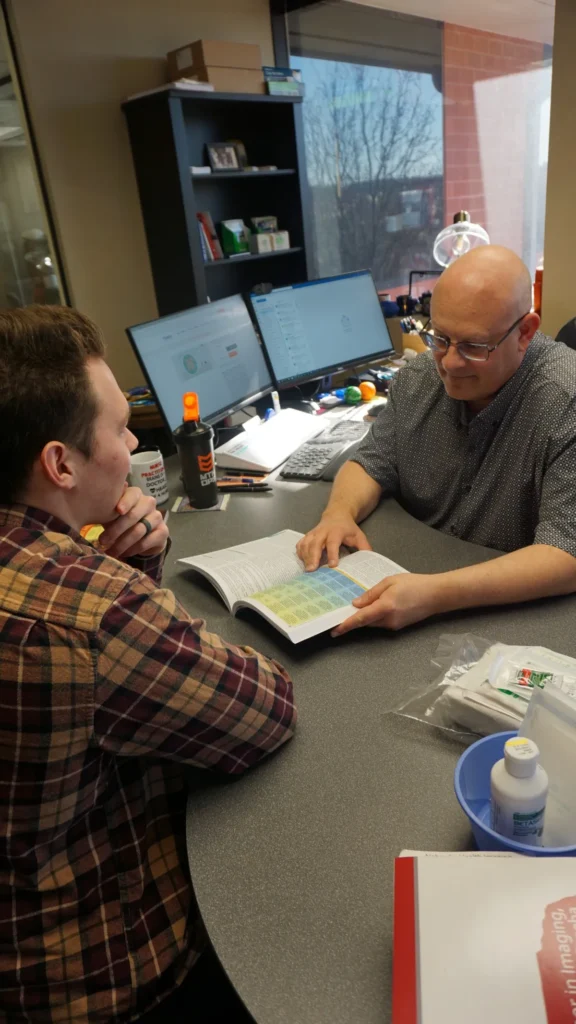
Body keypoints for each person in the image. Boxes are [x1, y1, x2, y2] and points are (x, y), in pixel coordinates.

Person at [0, 306, 296, 1022]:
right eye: (119, 429)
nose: (135, 441)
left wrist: (112, 565)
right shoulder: (96, 613)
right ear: (60, 463)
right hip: (97, 974)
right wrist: (123, 588)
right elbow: (263, 711)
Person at [297, 245, 576, 635]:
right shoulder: (420, 376)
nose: (448, 362)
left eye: (474, 347)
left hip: (510, 623)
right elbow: (373, 461)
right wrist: (338, 514)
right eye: (440, 337)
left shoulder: (566, 402)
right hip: (410, 586)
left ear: (525, 332)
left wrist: (433, 594)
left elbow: (566, 553)